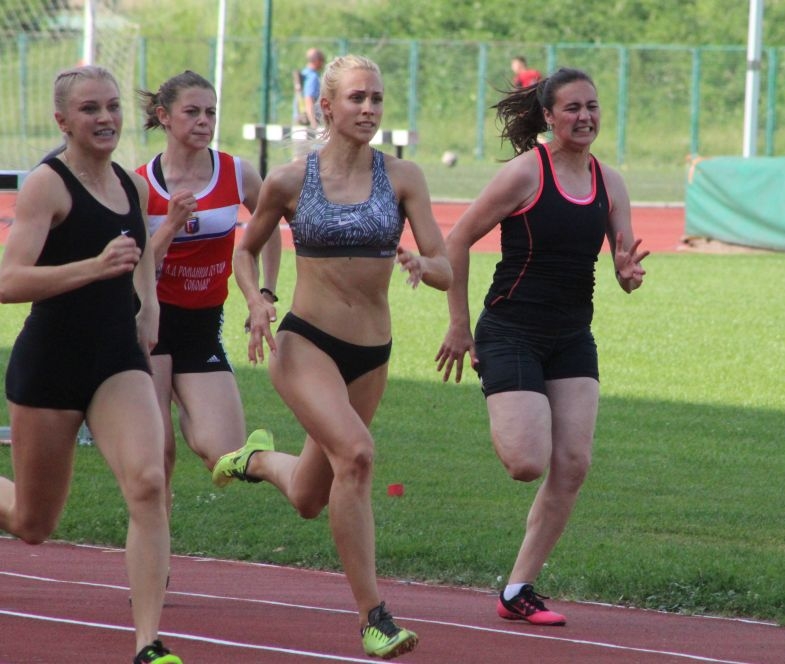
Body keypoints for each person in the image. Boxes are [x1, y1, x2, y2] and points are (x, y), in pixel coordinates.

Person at [213, 54, 451, 659]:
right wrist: (258, 299)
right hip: (305, 345)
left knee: (309, 497)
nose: (369, 109)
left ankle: (256, 459)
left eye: (376, 99)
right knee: (358, 454)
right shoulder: (291, 180)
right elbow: (246, 250)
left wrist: (423, 265)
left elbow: (446, 268)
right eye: (356, 98)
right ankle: (375, 617)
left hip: (371, 355)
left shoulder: (404, 177)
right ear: (327, 106)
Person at [434, 68, 649, 626]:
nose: (585, 116)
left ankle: (519, 588)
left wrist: (627, 273)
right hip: (511, 331)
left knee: (573, 464)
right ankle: (510, 400)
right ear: (549, 116)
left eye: (592, 106)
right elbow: (457, 240)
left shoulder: (610, 182)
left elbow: (624, 265)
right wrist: (459, 325)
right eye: (572, 108)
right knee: (527, 463)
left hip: (572, 336)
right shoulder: (527, 173)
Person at [0, 65, 181, 664]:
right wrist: (93, 269)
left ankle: (148, 644)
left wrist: (149, 305)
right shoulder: (46, 186)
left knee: (148, 483)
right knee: (33, 523)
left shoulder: (131, 184)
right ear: (62, 120)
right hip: (51, 364)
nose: (105, 118)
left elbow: (139, 252)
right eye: (89, 109)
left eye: (112, 106)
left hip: (117, 359)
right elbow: (7, 281)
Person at [135, 71, 262, 504]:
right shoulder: (140, 183)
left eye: (210, 112)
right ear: (164, 116)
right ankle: (157, 550)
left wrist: (265, 292)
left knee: (226, 454)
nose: (204, 121)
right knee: (157, 458)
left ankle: (188, 408)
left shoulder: (237, 172)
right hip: (150, 324)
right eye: (192, 112)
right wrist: (171, 225)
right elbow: (135, 268)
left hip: (202, 324)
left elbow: (269, 226)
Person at [292, 48, 326, 132]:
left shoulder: (304, 73)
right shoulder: (312, 77)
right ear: (316, 60)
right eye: (322, 60)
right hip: (308, 123)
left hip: (300, 120)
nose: (323, 63)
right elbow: (309, 100)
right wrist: (314, 123)